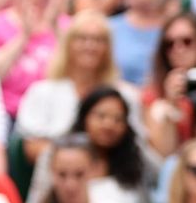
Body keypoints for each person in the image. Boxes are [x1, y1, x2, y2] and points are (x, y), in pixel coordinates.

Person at [17, 11, 127, 164]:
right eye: (82, 38)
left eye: (98, 40)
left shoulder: (122, 95)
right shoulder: (42, 91)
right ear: (68, 44)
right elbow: (32, 148)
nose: (90, 46)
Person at [17, 132, 147, 203]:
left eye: (79, 174)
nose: (70, 185)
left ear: (95, 170)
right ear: (51, 171)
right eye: (62, 174)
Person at [142, 11, 196, 157]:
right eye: (170, 44)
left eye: (187, 41)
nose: (178, 49)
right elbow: (164, 154)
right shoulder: (154, 96)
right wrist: (171, 106)